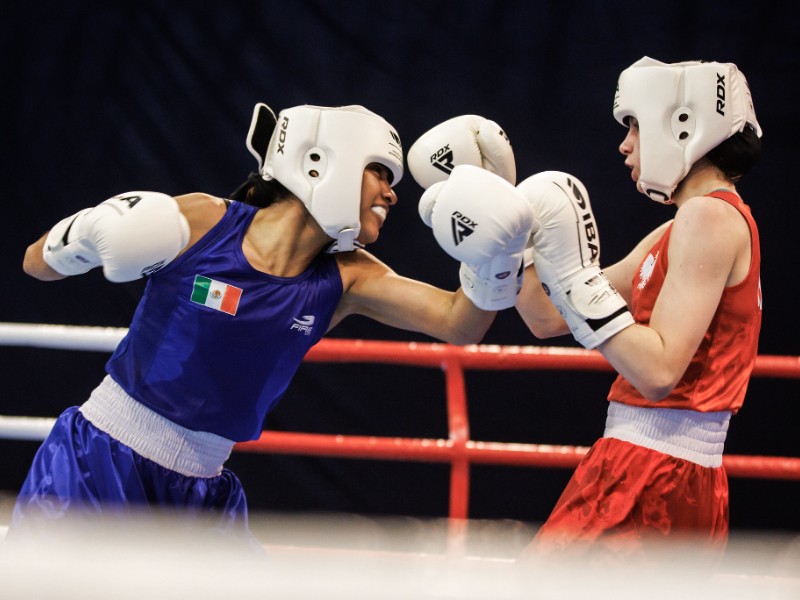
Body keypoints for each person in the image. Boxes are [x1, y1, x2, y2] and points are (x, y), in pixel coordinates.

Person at [15, 104, 533, 543]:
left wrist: (501, 242)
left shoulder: (347, 279)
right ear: (323, 161)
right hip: (98, 460)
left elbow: (459, 322)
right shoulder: (204, 222)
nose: (392, 193)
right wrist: (85, 235)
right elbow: (33, 263)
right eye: (381, 171)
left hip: (203, 488)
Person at [514, 57, 763, 561]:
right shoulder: (677, 228)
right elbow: (546, 317)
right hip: (647, 468)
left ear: (683, 123)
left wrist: (578, 280)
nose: (625, 145)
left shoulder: (709, 217)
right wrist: (515, 242)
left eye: (634, 125)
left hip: (655, 475)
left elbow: (657, 370)